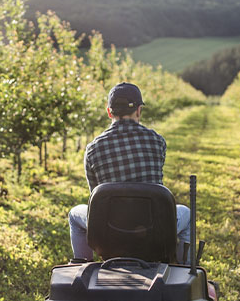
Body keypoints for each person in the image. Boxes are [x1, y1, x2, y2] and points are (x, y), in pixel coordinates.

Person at [68, 82, 191, 261]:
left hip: (110, 229)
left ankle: (83, 266)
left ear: (109, 112)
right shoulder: (157, 141)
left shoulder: (93, 149)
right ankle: (183, 269)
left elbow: (96, 198)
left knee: (74, 214)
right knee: (185, 212)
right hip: (153, 226)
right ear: (139, 110)